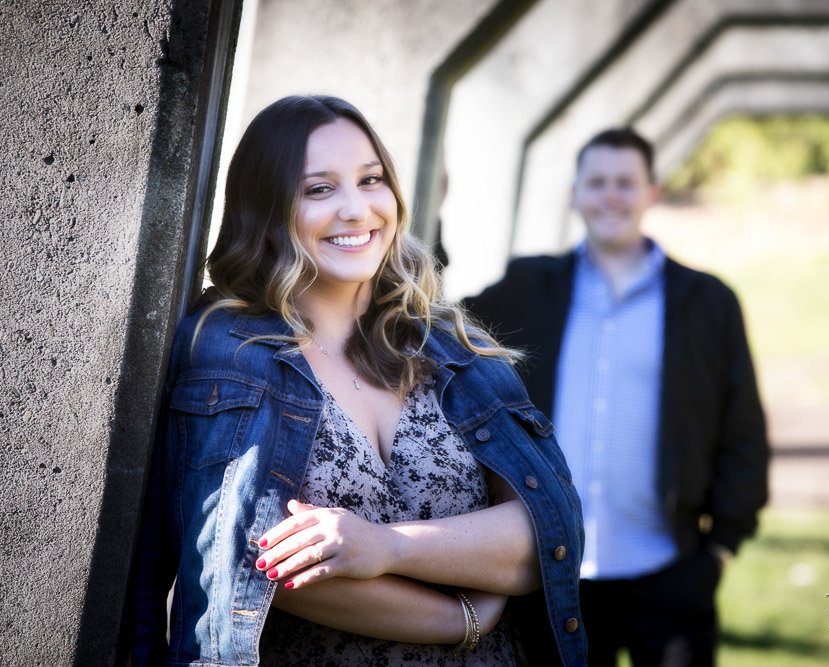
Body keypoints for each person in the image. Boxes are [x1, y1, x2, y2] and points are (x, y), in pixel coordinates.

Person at [131, 95, 586, 666]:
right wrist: (462, 616)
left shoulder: (450, 346)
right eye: (319, 189)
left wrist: (383, 548)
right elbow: (253, 557)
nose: (356, 209)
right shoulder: (230, 349)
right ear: (268, 210)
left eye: (371, 180)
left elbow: (549, 529)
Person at [464, 128, 769, 666]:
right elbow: (433, 313)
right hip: (554, 577)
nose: (612, 196)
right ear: (575, 195)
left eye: (626, 183)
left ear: (653, 192)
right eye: (597, 182)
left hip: (672, 572)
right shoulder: (527, 289)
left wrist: (720, 549)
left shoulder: (709, 302)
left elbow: (742, 430)